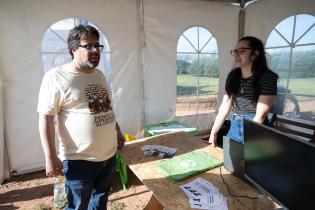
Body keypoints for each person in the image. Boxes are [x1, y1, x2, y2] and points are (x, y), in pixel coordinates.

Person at [38, 24, 125, 209]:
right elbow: (45, 118)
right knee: (77, 206)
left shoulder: (99, 75)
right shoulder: (57, 76)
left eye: (97, 45)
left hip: (108, 156)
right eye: (88, 46)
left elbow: (105, 108)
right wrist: (50, 156)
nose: (95, 50)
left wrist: (118, 131)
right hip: (79, 161)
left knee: (100, 202)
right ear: (73, 49)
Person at [209, 36, 278, 147]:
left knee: (253, 163)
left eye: (241, 51)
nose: (236, 54)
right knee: (232, 163)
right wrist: (213, 132)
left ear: (255, 54)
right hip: (235, 125)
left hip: (256, 128)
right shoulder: (233, 76)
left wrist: (249, 141)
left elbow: (261, 115)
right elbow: (225, 108)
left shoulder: (267, 77)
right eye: (235, 51)